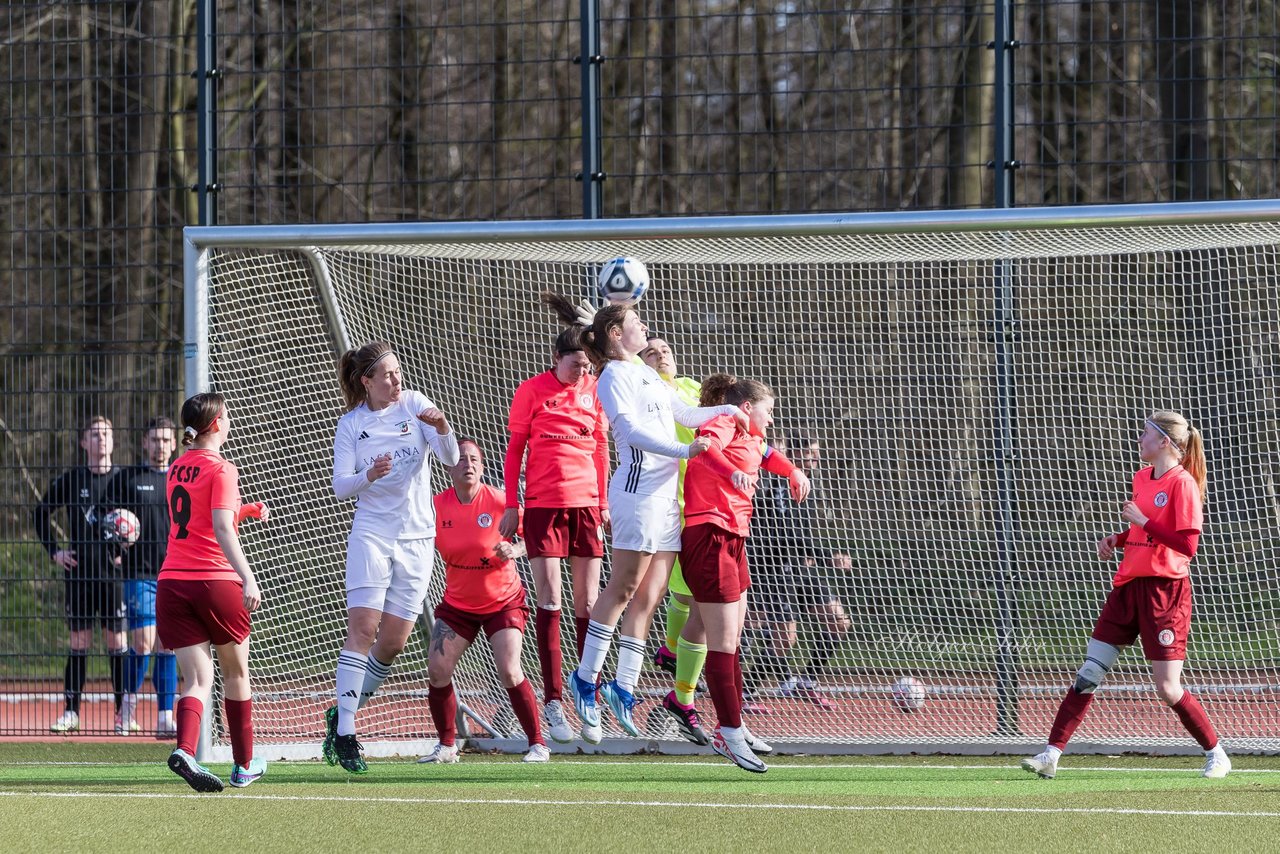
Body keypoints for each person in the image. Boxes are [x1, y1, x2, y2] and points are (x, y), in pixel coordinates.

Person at [543, 294, 744, 743]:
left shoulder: (649, 375)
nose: (643, 325)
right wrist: (683, 451)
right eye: (636, 321)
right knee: (624, 588)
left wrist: (726, 410)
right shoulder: (613, 375)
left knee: (650, 598)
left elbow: (684, 414)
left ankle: (623, 686)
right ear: (617, 335)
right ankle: (586, 678)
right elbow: (630, 433)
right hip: (637, 494)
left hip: (666, 503)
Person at [1022, 410, 1230, 780]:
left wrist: (1142, 522)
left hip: (1165, 592)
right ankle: (1051, 753)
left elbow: (1186, 544)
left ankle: (1216, 753)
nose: (1139, 440)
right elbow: (1145, 533)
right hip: (1128, 587)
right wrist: (1117, 540)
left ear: (1164, 441)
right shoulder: (1141, 477)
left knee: (1167, 688)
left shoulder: (1182, 484)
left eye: (1145, 435)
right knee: (1088, 673)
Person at [325, 341, 459, 773]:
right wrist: (370, 474)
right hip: (372, 534)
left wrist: (442, 427)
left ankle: (339, 715)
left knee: (394, 642)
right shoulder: (351, 426)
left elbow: (452, 460)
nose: (396, 381)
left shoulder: (415, 405)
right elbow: (341, 486)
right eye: (386, 375)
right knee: (363, 629)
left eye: (398, 372)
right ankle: (346, 732)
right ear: (367, 381)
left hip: (417, 537)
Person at [679, 374, 809, 772]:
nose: (771, 419)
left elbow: (768, 454)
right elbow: (706, 450)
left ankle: (733, 724)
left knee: (732, 639)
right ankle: (729, 732)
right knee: (721, 642)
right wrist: (730, 473)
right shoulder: (725, 420)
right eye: (768, 411)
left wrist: (793, 472)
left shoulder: (752, 437)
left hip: (735, 538)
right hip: (709, 534)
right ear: (747, 408)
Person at [500, 308, 609, 745]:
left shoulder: (596, 391)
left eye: (586, 365)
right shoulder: (531, 391)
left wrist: (603, 504)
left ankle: (590, 697)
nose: (581, 371)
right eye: (575, 363)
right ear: (556, 357)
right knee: (550, 598)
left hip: (587, 507)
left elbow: (601, 449)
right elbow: (514, 452)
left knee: (589, 602)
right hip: (544, 506)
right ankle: (553, 700)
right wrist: (514, 504)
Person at [159, 393, 268, 791]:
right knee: (237, 673)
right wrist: (249, 577)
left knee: (197, 679)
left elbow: (195, 519)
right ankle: (243, 766)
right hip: (215, 582)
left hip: (172, 584)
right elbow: (220, 531)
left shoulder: (175, 467)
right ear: (219, 422)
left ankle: (185, 750)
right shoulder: (223, 469)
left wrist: (245, 510)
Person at [419, 439, 551, 764]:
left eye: (474, 459)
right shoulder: (436, 507)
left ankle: (538, 745)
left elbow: (535, 536)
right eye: (461, 459)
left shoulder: (500, 502)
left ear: (482, 465)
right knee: (437, 670)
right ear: (449, 466)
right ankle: (447, 747)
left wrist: (515, 549)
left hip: (503, 601)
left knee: (509, 670)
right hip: (458, 605)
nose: (468, 464)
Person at [742, 431, 852, 712]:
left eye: (816, 452)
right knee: (782, 636)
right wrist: (828, 557)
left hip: (800, 567)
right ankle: (744, 693)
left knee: (838, 621)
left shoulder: (807, 483)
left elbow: (801, 532)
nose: (815, 458)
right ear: (791, 455)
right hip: (773, 569)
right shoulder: (777, 486)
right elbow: (787, 535)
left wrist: (812, 559)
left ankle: (805, 681)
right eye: (809, 452)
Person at [32, 415, 128, 734]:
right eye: (95, 434)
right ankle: (71, 711)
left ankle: (122, 713)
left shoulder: (123, 479)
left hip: (113, 577)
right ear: (83, 442)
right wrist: (55, 551)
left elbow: (141, 524)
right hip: (79, 576)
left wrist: (127, 553)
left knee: (117, 644)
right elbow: (41, 513)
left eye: (106, 434)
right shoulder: (72, 479)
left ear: (113, 441)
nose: (102, 439)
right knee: (79, 643)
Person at [105, 416, 180, 737]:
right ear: (144, 443)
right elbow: (105, 518)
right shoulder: (128, 479)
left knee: (168, 646)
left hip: (176, 571)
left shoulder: (181, 477)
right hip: (139, 571)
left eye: (166, 440)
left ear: (174, 443)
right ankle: (127, 710)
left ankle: (165, 718)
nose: (160, 446)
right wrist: (115, 544)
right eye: (155, 440)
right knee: (143, 642)